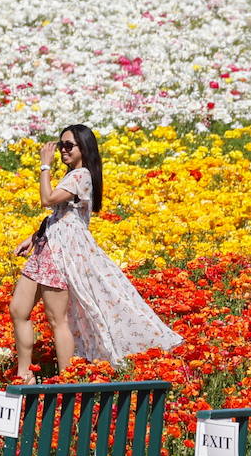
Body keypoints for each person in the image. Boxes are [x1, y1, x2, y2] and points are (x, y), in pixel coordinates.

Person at [10, 124, 181, 382]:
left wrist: (44, 166)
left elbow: (47, 199)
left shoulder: (82, 176)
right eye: (61, 145)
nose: (63, 150)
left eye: (69, 146)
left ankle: (66, 379)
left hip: (63, 253)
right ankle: (24, 375)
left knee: (58, 320)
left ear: (84, 148)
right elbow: (59, 215)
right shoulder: (72, 175)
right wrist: (33, 237)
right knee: (18, 310)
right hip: (47, 247)